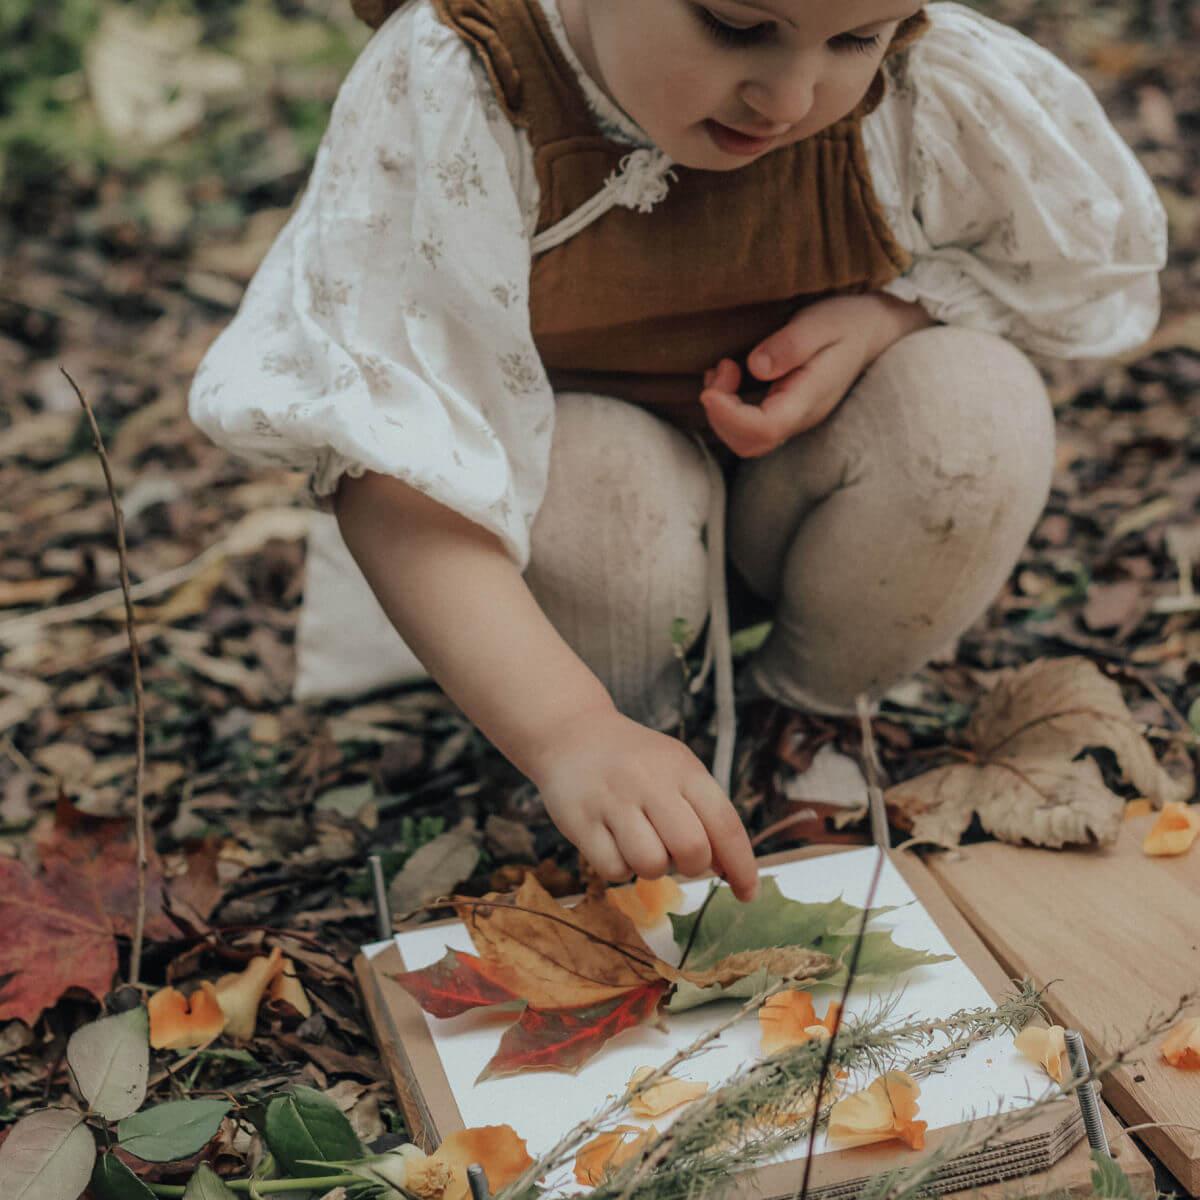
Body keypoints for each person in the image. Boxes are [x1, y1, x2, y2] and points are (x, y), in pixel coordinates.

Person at [188, 0, 1167, 905]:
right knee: (605, 478)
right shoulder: (471, 80)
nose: (787, 97)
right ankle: (634, 757)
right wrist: (568, 730)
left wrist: (890, 314)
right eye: (737, 25)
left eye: (853, 41)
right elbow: (390, 464)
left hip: (795, 514)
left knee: (977, 409)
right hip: (579, 556)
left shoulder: (920, 79)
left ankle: (801, 720)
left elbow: (1080, 268)